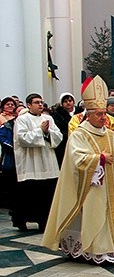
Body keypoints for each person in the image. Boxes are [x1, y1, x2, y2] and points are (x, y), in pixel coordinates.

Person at [41, 76, 114, 265]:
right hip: (91, 187)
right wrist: (98, 159)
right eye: (99, 114)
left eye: (104, 113)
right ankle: (94, 251)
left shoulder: (109, 134)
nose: (103, 117)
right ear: (88, 114)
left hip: (110, 185)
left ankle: (113, 250)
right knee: (95, 215)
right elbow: (76, 159)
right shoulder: (79, 134)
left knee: (111, 214)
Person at [12, 93, 63, 231]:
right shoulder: (22, 120)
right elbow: (22, 139)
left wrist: (47, 133)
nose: (40, 105)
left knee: (47, 193)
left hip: (47, 160)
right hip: (31, 162)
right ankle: (22, 220)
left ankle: (45, 221)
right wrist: (40, 131)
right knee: (30, 193)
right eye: (36, 102)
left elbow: (58, 136)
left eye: (41, 102)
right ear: (29, 105)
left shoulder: (48, 118)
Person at [51, 92, 76, 166]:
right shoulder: (57, 115)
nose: (68, 103)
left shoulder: (80, 113)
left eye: (70, 101)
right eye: (65, 101)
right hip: (64, 144)